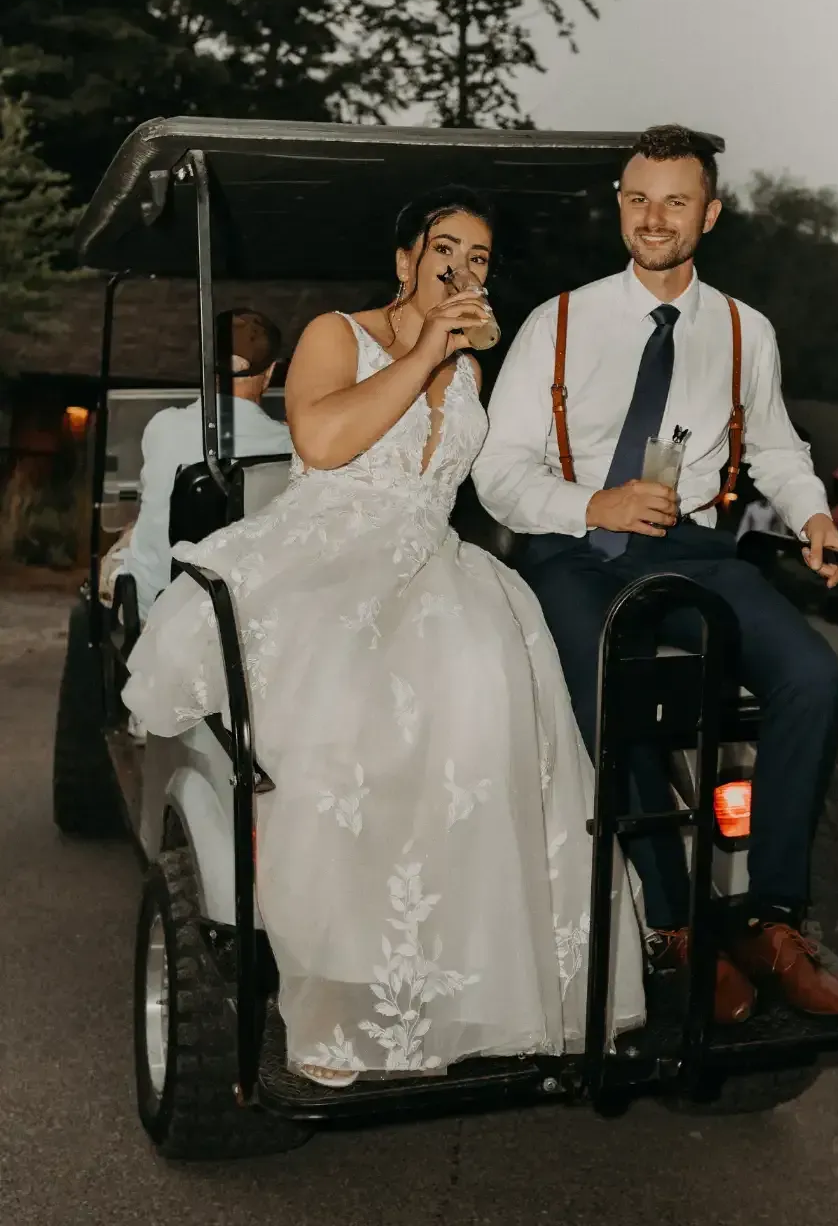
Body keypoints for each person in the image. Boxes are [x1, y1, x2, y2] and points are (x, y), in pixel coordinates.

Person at [121, 187, 645, 1087]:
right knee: (345, 712)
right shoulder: (339, 332)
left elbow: (495, 483)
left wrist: (593, 498)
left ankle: (465, 985)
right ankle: (339, 986)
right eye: (447, 249)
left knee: (491, 697)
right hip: (324, 557)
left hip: (435, 562)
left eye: (480, 258)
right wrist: (427, 349)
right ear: (405, 260)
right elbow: (322, 442)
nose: (463, 269)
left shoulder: (477, 369)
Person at [472, 124, 838, 1024]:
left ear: (710, 213)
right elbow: (498, 470)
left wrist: (814, 517)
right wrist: (590, 505)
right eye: (638, 199)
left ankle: (772, 920)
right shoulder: (557, 323)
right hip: (574, 552)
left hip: (693, 552)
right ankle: (676, 925)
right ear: (620, 204)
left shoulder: (742, 330)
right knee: (617, 689)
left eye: (675, 201)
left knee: (812, 677)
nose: (653, 218)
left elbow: (773, 446)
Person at [119, 308, 292, 621]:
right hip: (244, 608)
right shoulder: (288, 446)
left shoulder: (162, 426)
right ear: (270, 373)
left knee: (123, 545)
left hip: (158, 607)